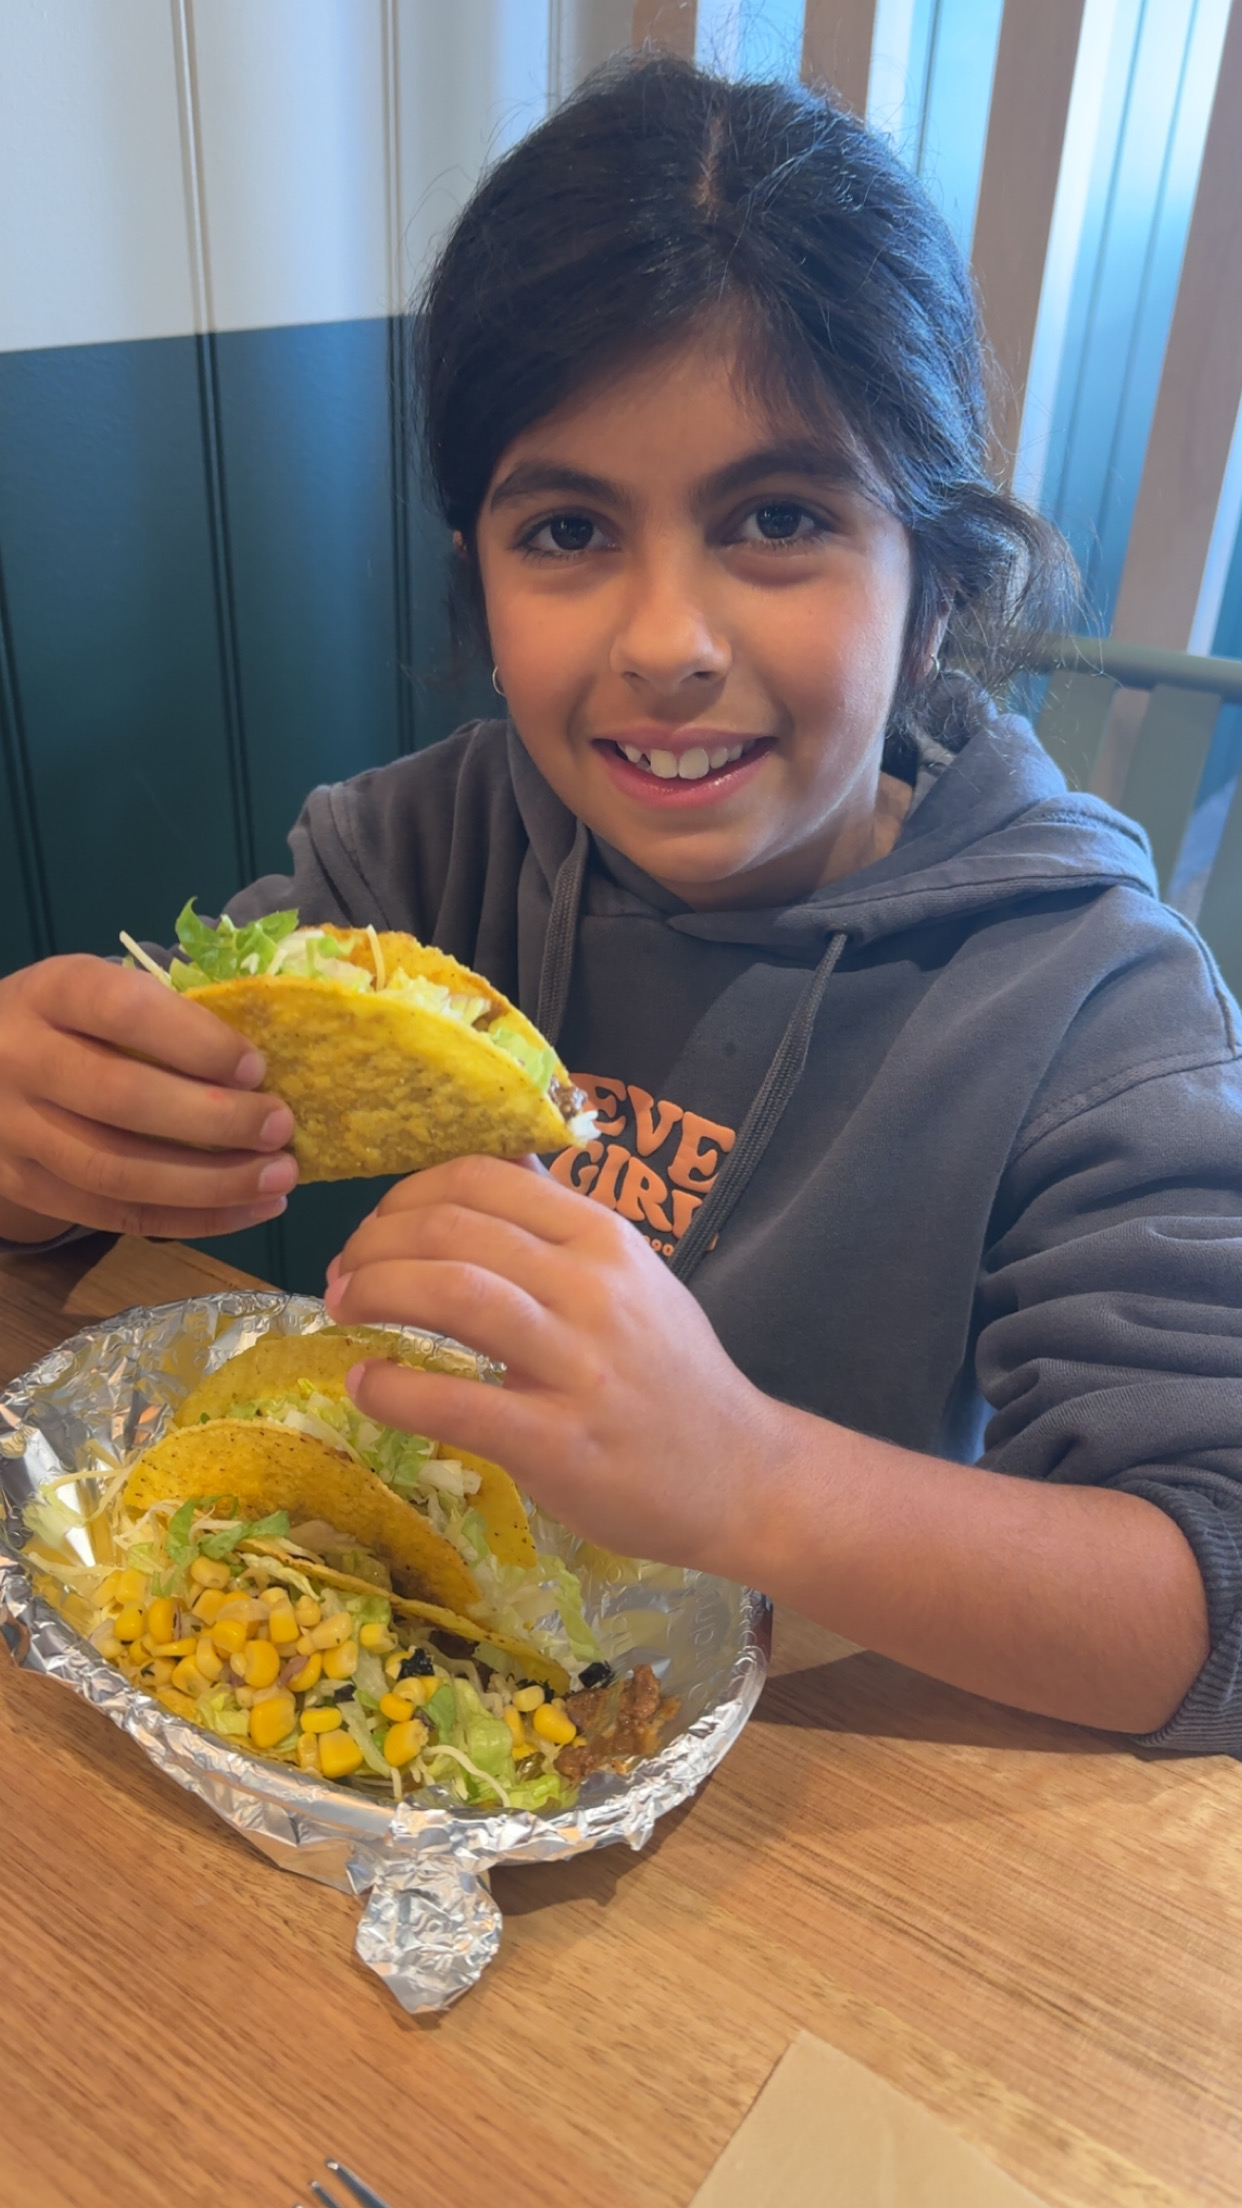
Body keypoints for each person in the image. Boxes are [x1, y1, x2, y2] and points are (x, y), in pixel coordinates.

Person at [2, 57, 1239, 1749]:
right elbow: (121, 1169)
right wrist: (44, 1149)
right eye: (569, 530)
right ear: (478, 580)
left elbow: (1207, 1604)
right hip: (419, 1715)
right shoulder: (414, 863)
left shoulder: (1092, 1014)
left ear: (937, 591)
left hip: (833, 1789)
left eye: (779, 519)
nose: (666, 643)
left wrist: (748, 1476)